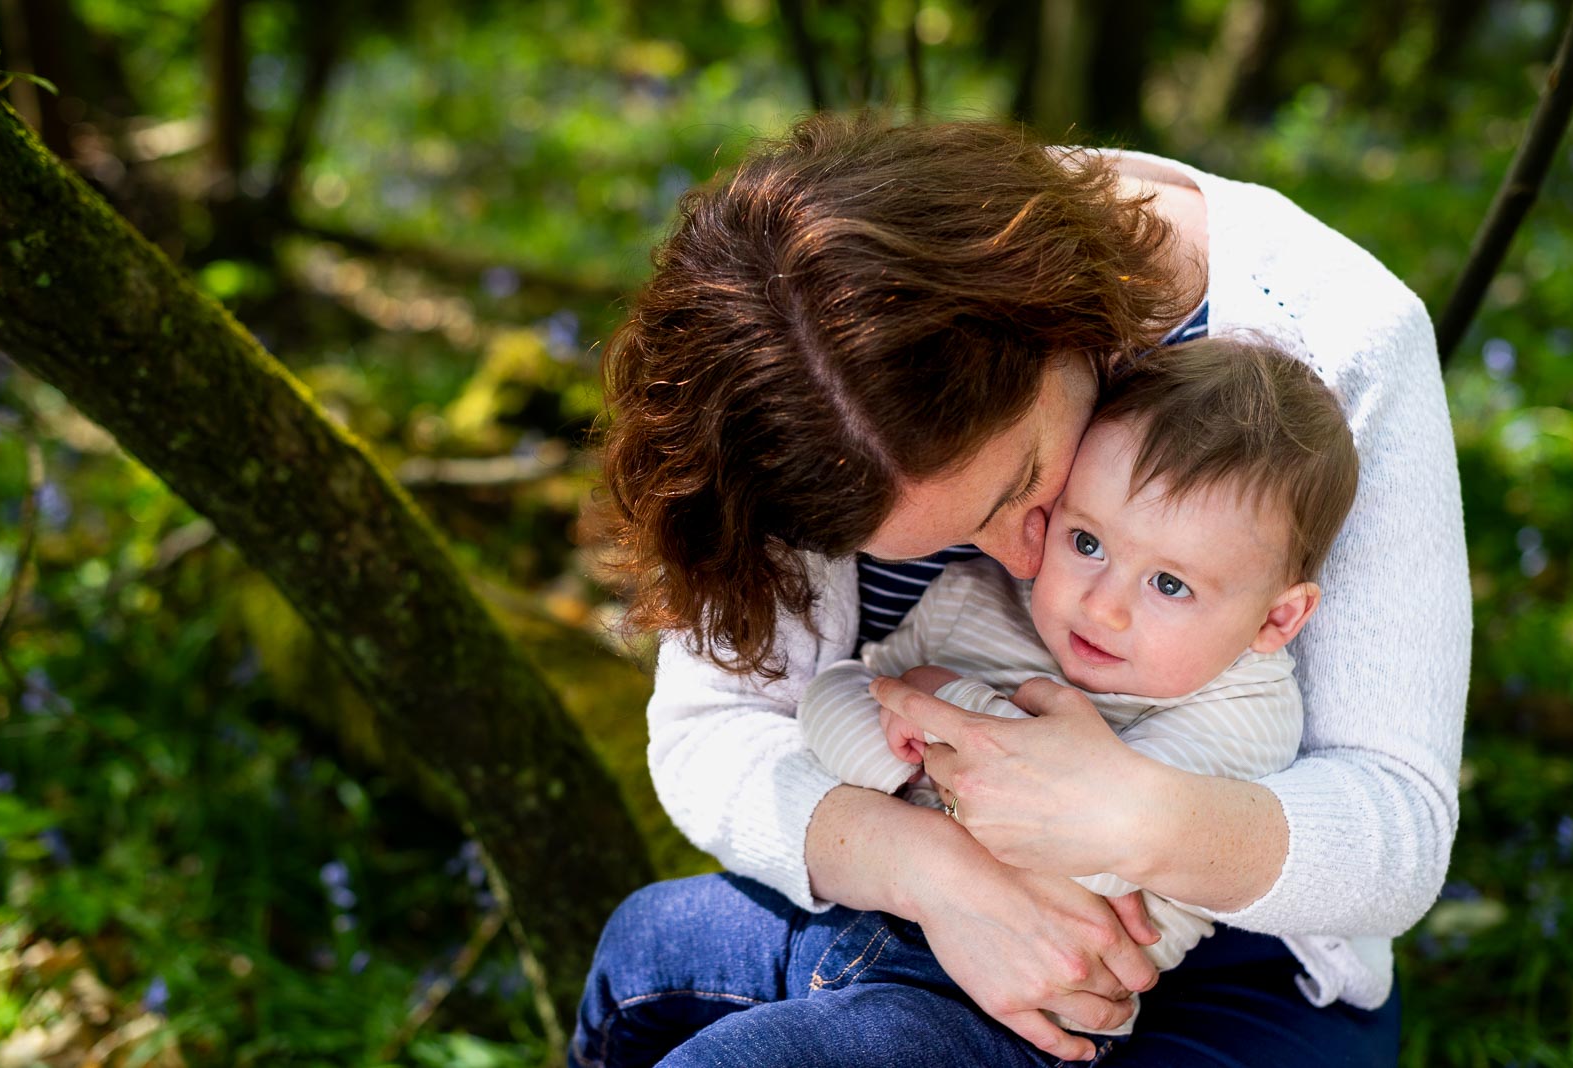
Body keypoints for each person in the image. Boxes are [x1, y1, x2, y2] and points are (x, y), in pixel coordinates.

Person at [578, 114, 1469, 1067]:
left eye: (1021, 487)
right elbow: (708, 730)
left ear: (1070, 326)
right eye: (948, 538)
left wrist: (1131, 813)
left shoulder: (1341, 338)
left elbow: (1397, 827)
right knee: (647, 960)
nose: (1022, 557)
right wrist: (935, 874)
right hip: (893, 888)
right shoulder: (808, 383)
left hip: (1213, 961)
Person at [799, 335, 1360, 1042]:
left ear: (1276, 618)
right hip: (871, 903)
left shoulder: (1243, 711)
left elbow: (1087, 852)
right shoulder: (983, 597)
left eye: (1169, 584)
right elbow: (828, 698)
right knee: (650, 935)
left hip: (1021, 1000)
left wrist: (941, 707)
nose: (1102, 606)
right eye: (1087, 542)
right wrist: (899, 761)